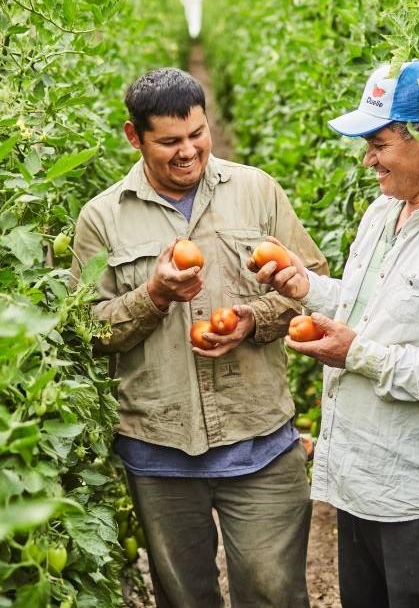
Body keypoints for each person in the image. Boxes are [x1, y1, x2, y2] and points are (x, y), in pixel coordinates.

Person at [70, 67, 327, 607]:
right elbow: (86, 331)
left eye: (198, 134)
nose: (188, 152)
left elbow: (312, 285)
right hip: (159, 448)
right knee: (186, 598)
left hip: (259, 436)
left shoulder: (256, 190)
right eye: (169, 142)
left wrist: (253, 321)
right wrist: (155, 296)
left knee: (275, 591)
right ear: (134, 137)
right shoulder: (102, 219)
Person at [252, 60, 419, 607]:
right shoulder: (383, 211)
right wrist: (306, 288)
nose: (369, 160)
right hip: (359, 482)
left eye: (379, 144)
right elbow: (371, 306)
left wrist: (356, 353)